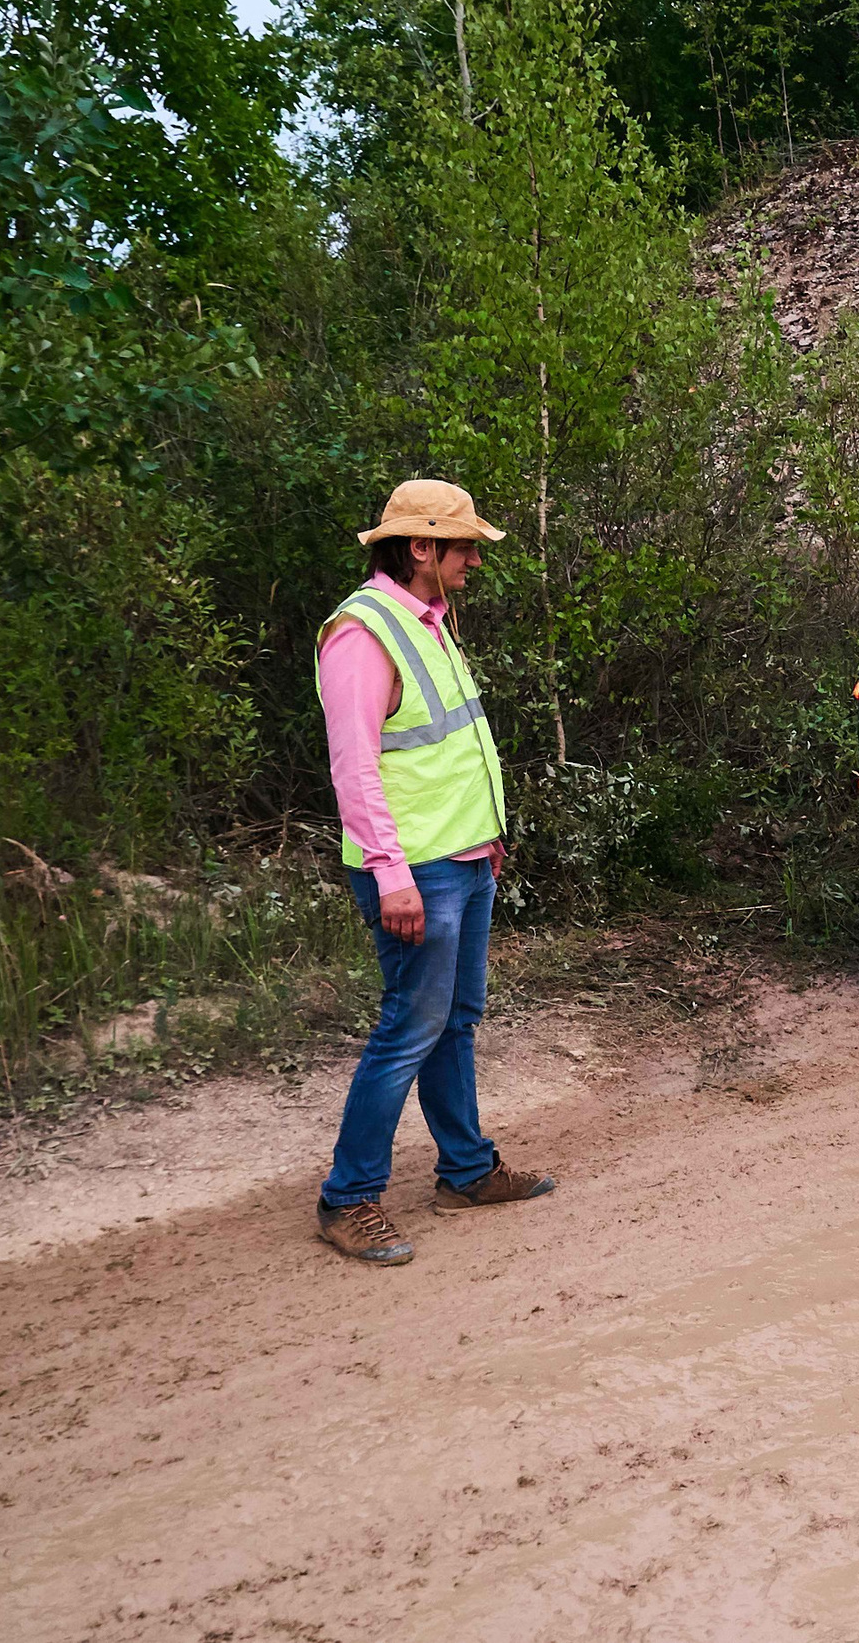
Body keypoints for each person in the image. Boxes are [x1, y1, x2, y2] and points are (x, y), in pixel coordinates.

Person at [313, 479, 554, 1265]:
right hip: (415, 871)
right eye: (464, 547)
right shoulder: (364, 634)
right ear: (421, 547)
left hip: (463, 859)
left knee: (453, 1022)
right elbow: (355, 770)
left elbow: (442, 750)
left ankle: (466, 1171)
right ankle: (348, 1199)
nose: (475, 560)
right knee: (408, 1028)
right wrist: (391, 875)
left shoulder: (428, 622)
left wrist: (486, 838)